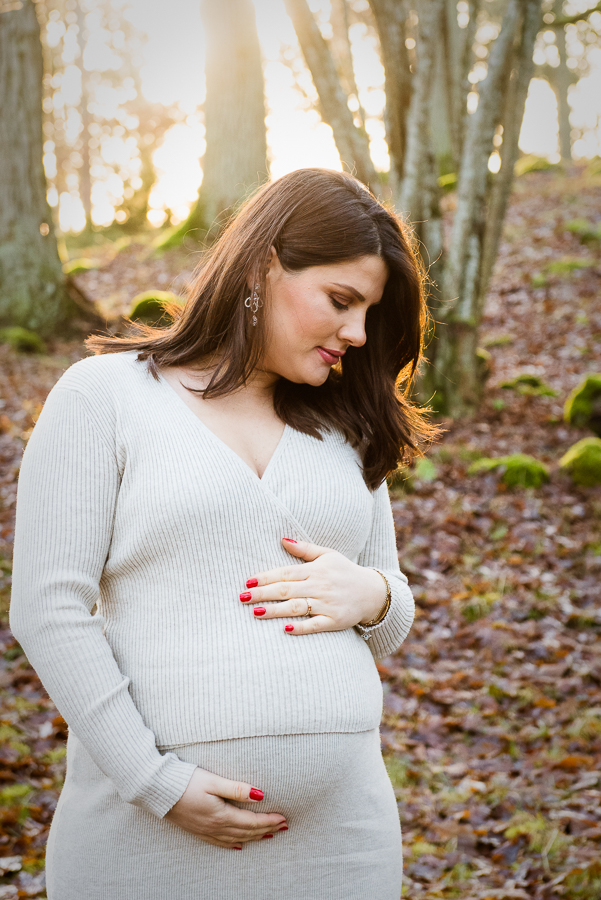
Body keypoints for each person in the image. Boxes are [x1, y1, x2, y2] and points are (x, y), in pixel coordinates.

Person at [10, 167, 440, 900]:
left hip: (340, 842)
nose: (357, 333)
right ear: (263, 264)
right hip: (144, 837)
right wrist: (157, 783)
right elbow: (46, 609)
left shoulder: (345, 422)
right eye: (340, 301)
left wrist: (369, 594)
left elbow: (388, 607)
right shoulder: (106, 397)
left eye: (368, 312)